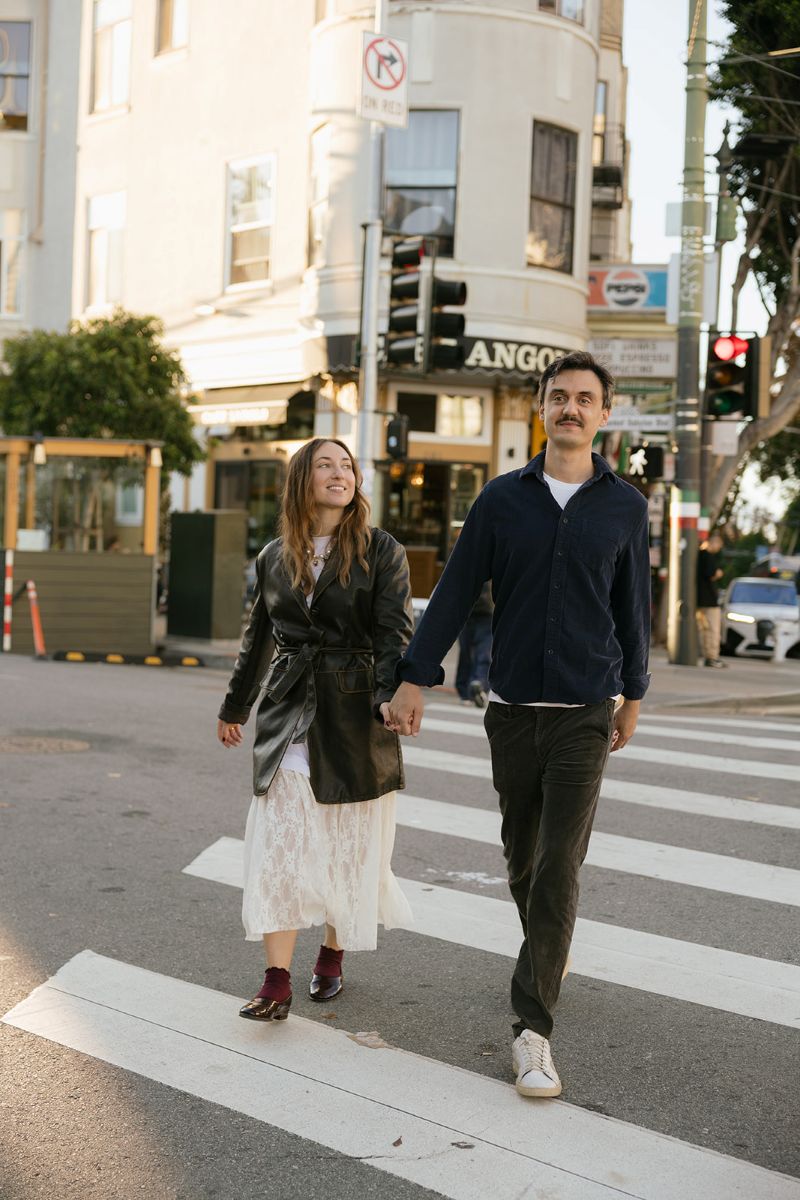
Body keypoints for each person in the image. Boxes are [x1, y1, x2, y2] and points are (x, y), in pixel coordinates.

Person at [388, 350, 650, 1099]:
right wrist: (414, 676)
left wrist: (634, 694)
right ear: (542, 408)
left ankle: (533, 1030)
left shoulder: (626, 508)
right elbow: (453, 592)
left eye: (585, 399)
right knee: (523, 863)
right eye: (559, 396)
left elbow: (632, 606)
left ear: (605, 414)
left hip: (585, 711)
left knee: (560, 864)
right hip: (511, 712)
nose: (571, 408)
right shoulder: (501, 500)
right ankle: (549, 949)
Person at [217, 438, 414, 1021]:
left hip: (355, 716)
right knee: (279, 846)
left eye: (346, 465)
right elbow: (258, 639)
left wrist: (391, 695)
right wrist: (235, 707)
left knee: (346, 850)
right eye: (325, 464)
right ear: (302, 480)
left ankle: (331, 953)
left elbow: (394, 632)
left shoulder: (381, 550)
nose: (339, 473)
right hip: (288, 715)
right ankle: (275, 980)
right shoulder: (274, 556)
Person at [455, 581, 493, 707]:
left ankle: (467, 689)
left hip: (469, 609)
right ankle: (479, 683)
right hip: (485, 610)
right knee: (483, 652)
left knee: (467, 652)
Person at [696, 532, 726, 667]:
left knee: (704, 629)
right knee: (713, 629)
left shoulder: (697, 555)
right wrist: (718, 573)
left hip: (699, 599)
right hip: (709, 599)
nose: (719, 548)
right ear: (714, 542)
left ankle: (707, 655)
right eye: (719, 545)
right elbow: (711, 574)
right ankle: (712, 656)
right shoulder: (707, 556)